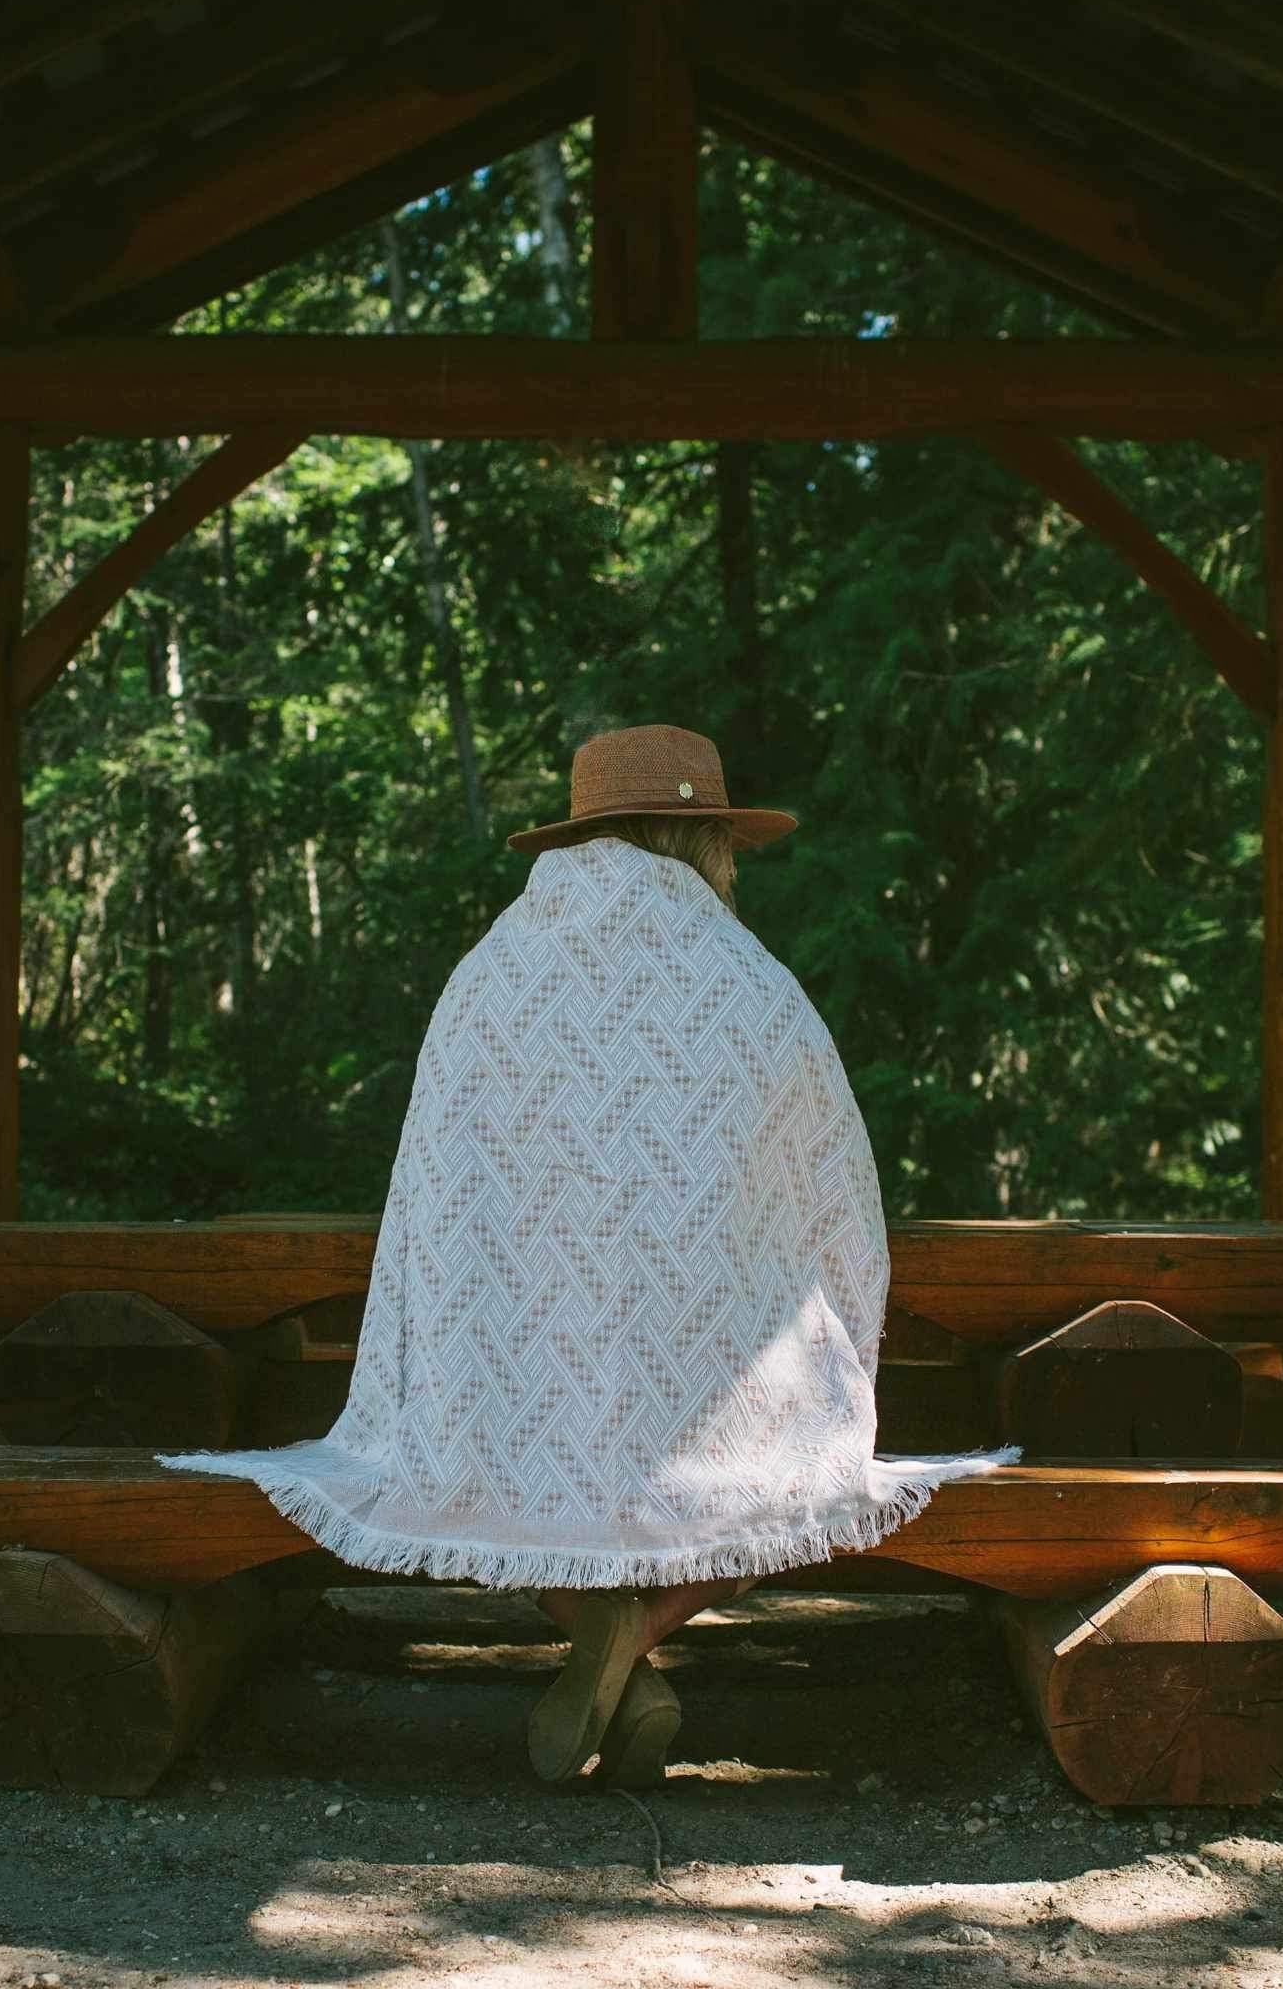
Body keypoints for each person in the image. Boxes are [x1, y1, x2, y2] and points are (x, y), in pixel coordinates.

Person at [155, 724, 1018, 1790]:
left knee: (476, 1457)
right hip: (714, 1391)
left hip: (519, 1376)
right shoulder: (749, 983)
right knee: (786, 1460)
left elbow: (436, 1201)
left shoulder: (489, 977)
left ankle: (606, 1639)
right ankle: (641, 1630)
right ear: (700, 838)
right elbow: (833, 1190)